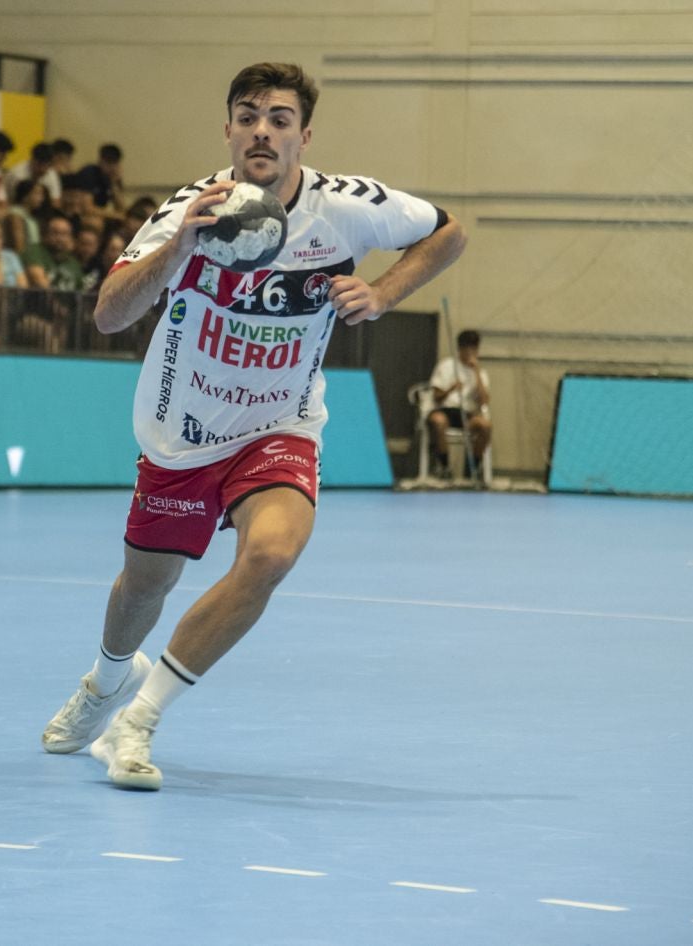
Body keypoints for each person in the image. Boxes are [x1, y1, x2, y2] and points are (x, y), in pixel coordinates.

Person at [39, 62, 465, 791]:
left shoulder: (348, 209)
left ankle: (139, 720)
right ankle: (106, 683)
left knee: (270, 555)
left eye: (278, 117)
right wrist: (181, 248)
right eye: (247, 115)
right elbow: (109, 313)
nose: (261, 129)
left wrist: (384, 291)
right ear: (229, 129)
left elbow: (449, 233)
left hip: (282, 421)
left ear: (304, 135)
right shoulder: (190, 209)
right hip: (183, 427)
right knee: (142, 590)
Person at [425, 328, 491, 480]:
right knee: (438, 422)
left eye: (473, 348)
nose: (470, 352)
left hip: (467, 414)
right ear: (460, 348)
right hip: (445, 411)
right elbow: (436, 397)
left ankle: (472, 469)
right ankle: (444, 466)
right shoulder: (446, 365)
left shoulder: (480, 373)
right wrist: (451, 389)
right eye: (467, 348)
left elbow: (484, 401)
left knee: (485, 426)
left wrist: (477, 373)